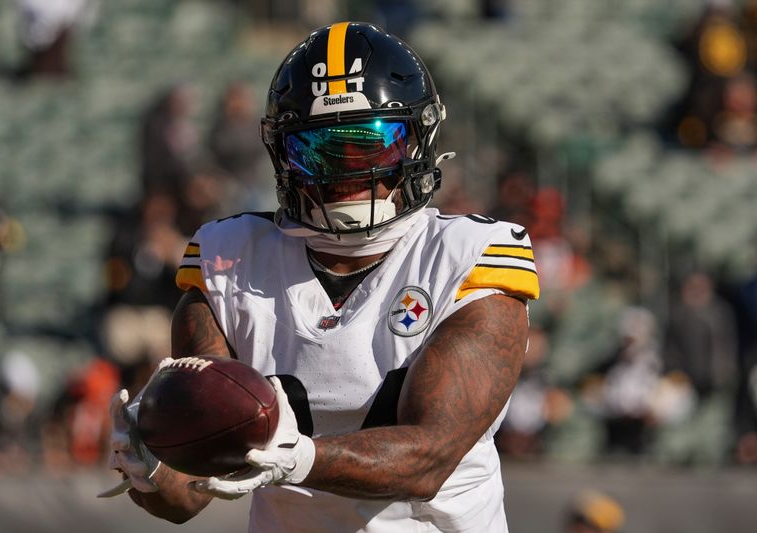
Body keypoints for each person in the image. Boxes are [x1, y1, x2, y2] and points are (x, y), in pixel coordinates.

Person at [100, 22, 540, 532]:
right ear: (282, 156)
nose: (346, 173)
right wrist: (150, 468)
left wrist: (299, 459)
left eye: (371, 146)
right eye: (318, 151)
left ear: (418, 142)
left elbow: (430, 458)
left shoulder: (467, 256)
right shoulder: (229, 260)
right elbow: (186, 495)